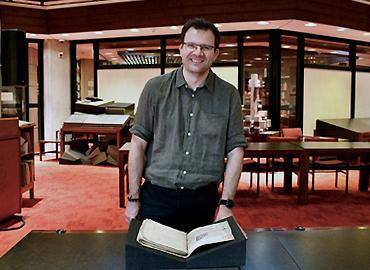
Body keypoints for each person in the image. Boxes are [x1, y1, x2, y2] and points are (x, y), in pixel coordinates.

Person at [125, 17, 247, 232]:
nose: (198, 53)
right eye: (191, 45)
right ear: (180, 48)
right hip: (156, 197)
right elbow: (137, 145)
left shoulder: (229, 95)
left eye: (206, 47)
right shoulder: (155, 89)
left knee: (199, 263)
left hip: (203, 200)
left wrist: (226, 204)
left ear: (216, 53)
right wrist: (133, 199)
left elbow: (236, 151)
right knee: (152, 262)